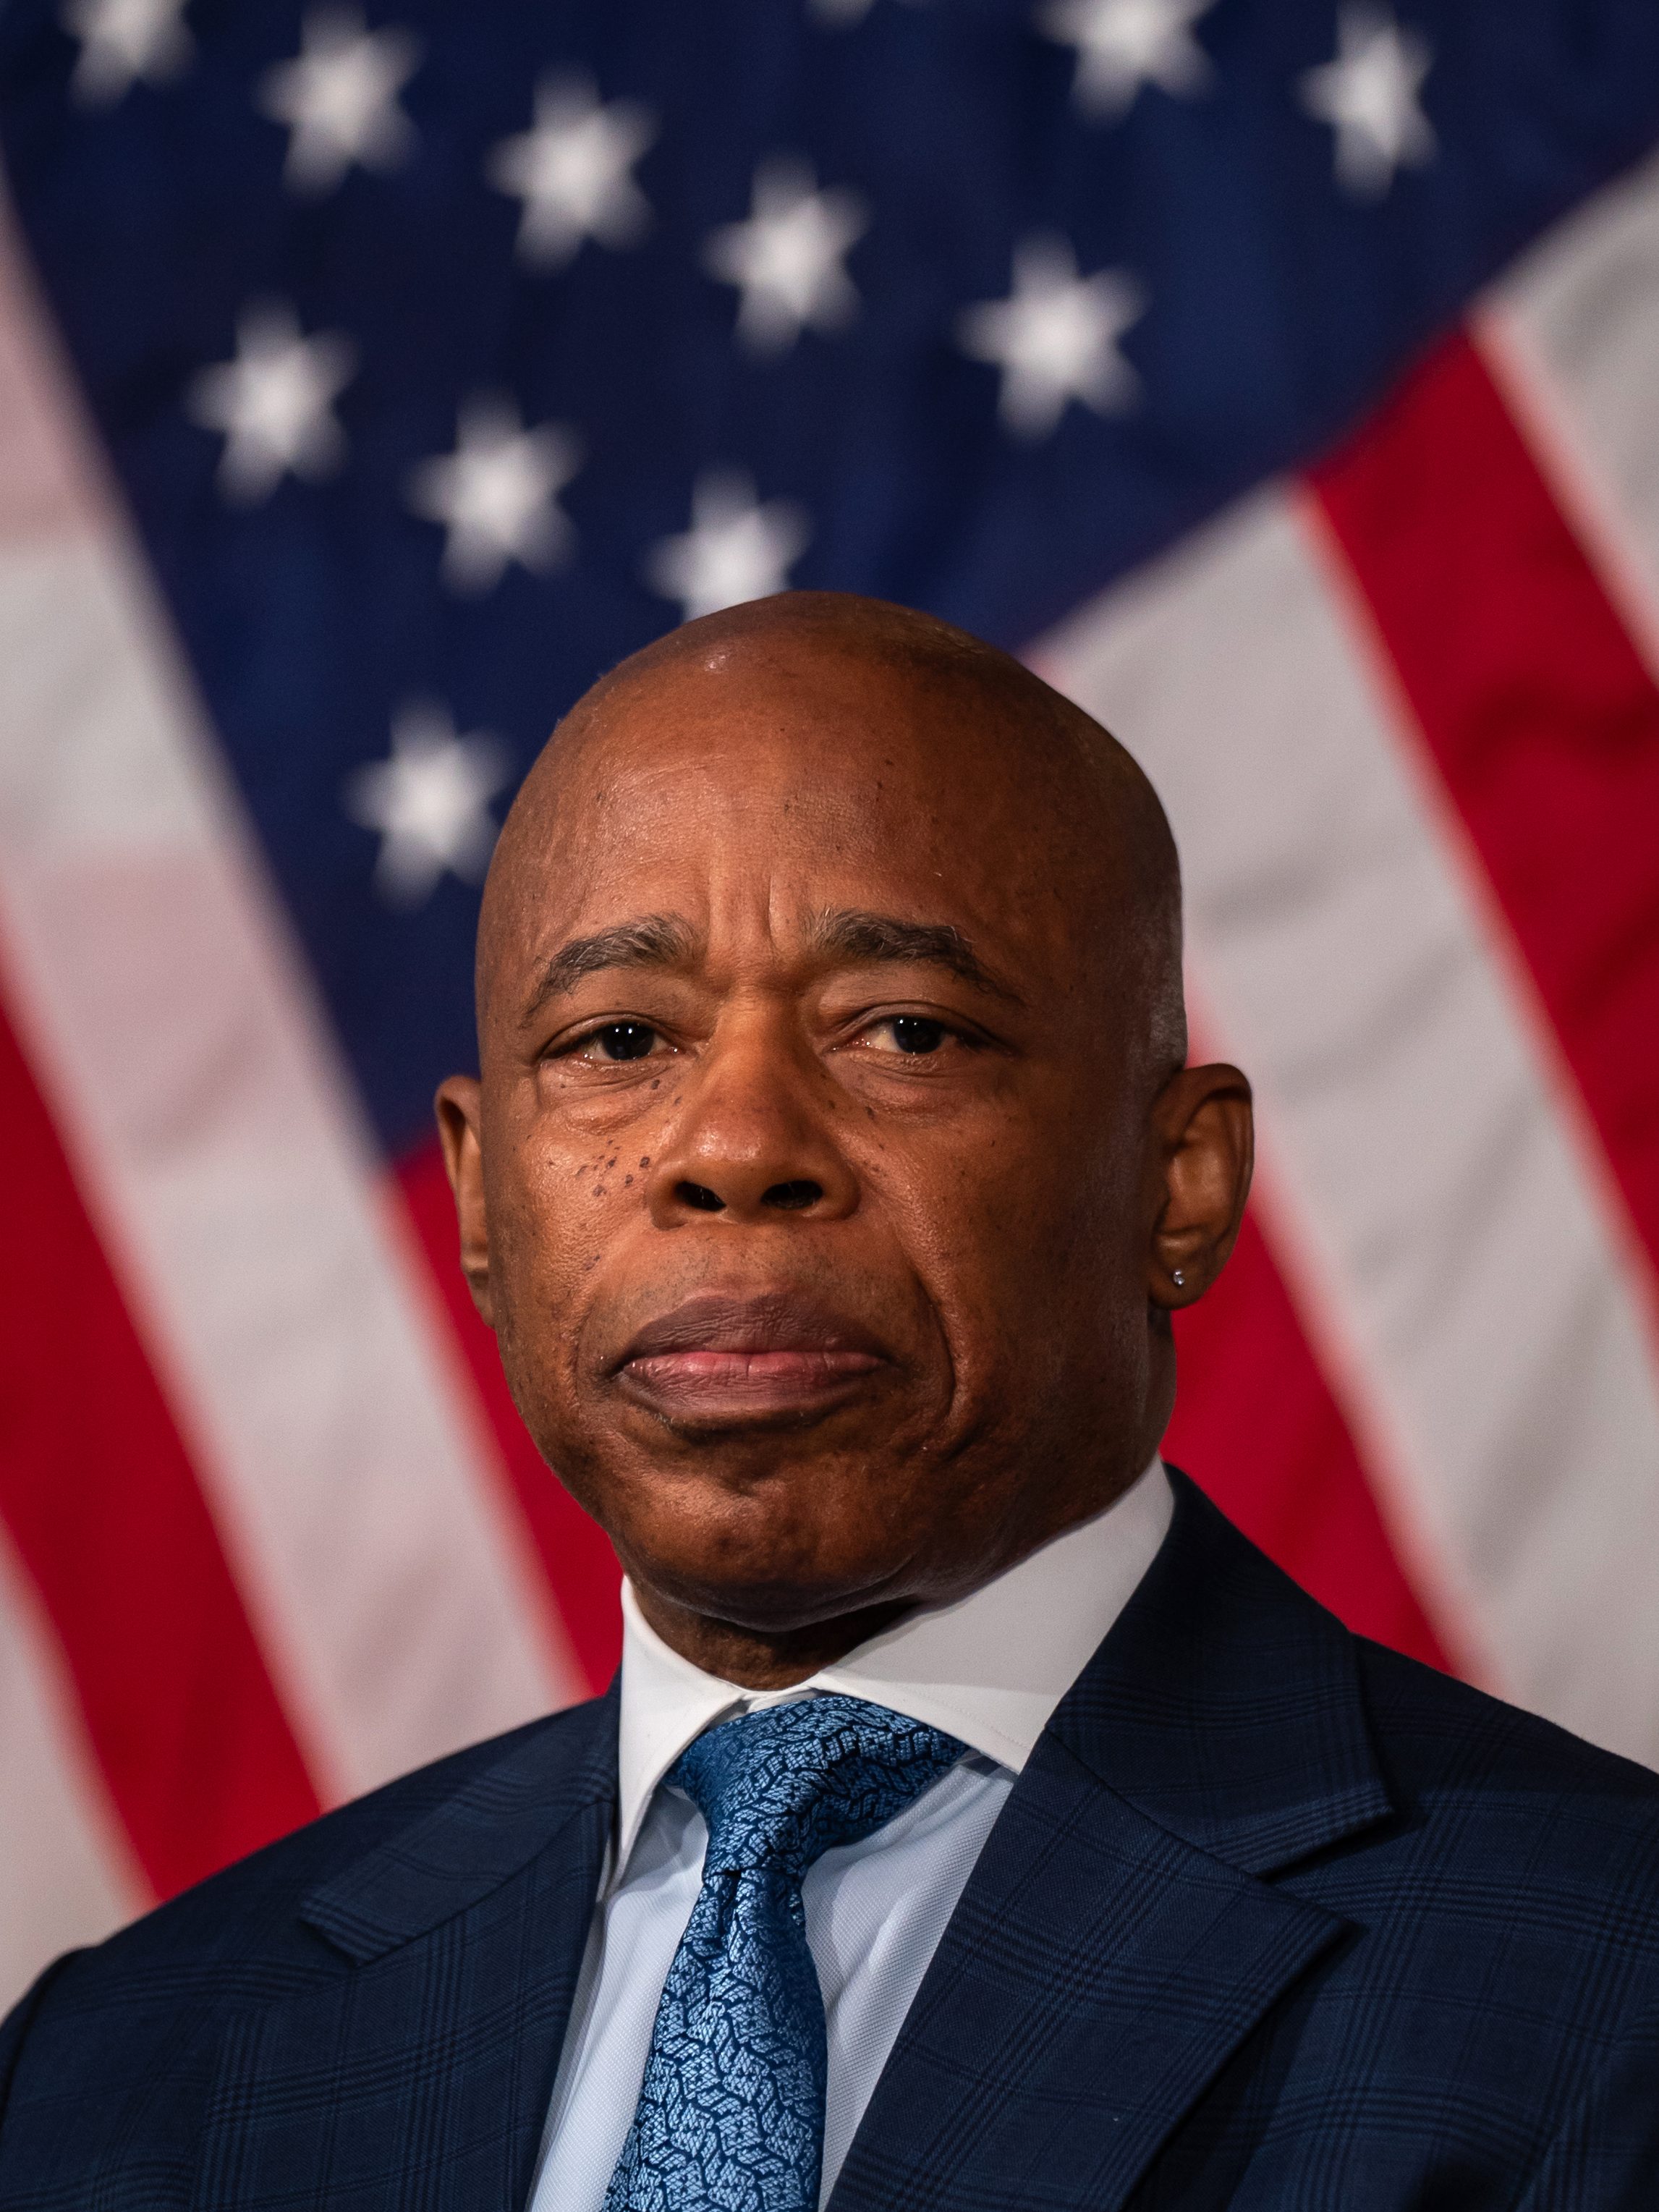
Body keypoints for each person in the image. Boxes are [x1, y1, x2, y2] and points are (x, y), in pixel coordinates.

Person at [3, 593, 1658, 2211]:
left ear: (1180, 1180)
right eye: (620, 1036)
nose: (733, 1146)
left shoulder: (1602, 1981)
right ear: (481, 1199)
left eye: (906, 1030)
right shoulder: (110, 2069)